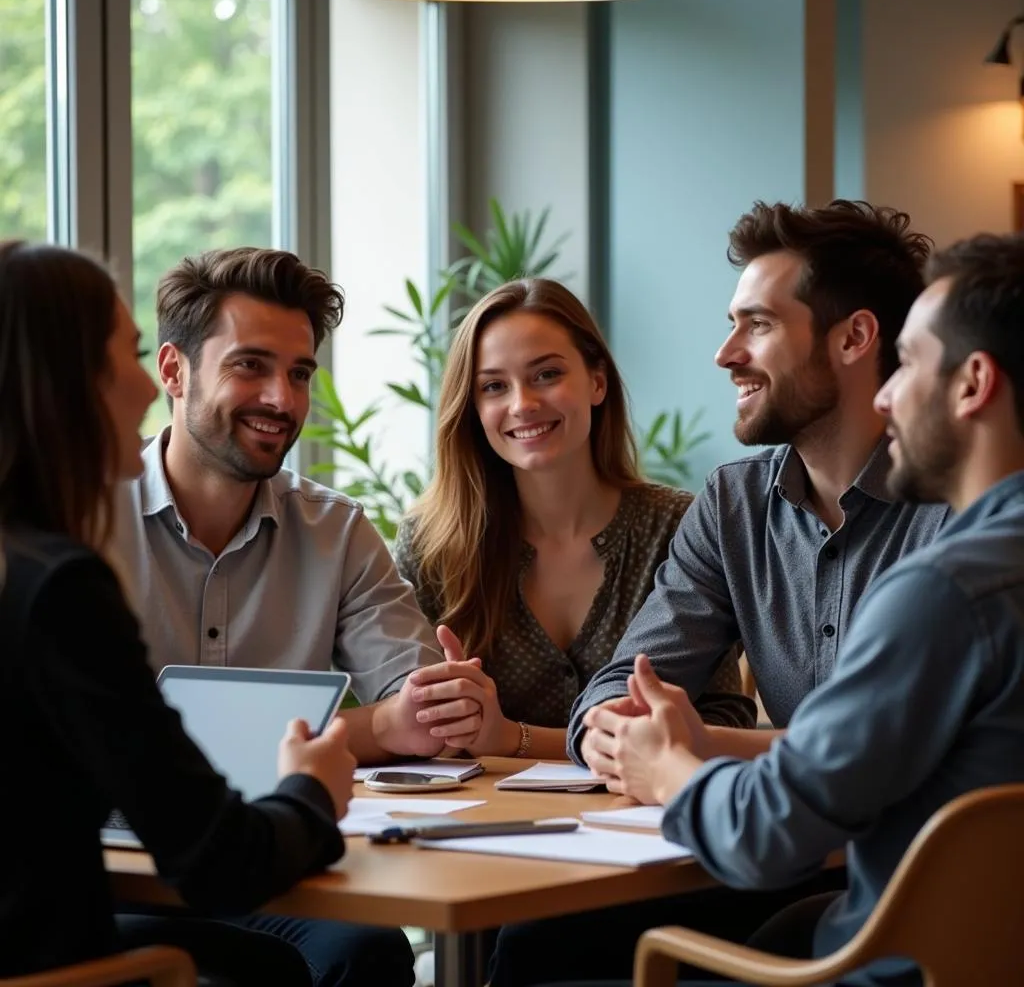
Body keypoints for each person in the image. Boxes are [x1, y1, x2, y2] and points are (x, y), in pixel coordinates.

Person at [489, 200, 950, 985]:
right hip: (781, 848)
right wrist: (609, 730)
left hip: (899, 877)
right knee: (535, 944)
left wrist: (687, 750)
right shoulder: (733, 506)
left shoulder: (957, 520)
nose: (724, 353)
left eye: (757, 325)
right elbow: (627, 682)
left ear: (853, 338)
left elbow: (894, 766)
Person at [580, 229, 1024, 987]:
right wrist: (705, 745)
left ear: (972, 382)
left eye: (909, 364)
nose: (888, 394)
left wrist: (673, 770)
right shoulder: (736, 502)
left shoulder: (943, 590)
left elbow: (768, 832)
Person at [109, 246, 478, 985]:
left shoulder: (336, 531)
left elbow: (421, 706)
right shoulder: (80, 522)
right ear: (173, 371)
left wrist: (439, 707)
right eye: (250, 366)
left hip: (265, 857)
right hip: (112, 874)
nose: (283, 398)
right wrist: (367, 730)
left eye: (300, 373)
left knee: (365, 952)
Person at [0, 240, 356, 984]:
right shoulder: (56, 590)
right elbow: (221, 864)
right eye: (125, 356)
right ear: (66, 383)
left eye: (298, 374)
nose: (140, 388)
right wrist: (313, 789)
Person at [393, 278, 754, 761]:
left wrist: (510, 738)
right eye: (494, 386)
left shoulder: (677, 526)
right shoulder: (431, 543)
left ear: (597, 381)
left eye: (546, 374)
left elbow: (722, 719)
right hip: (484, 823)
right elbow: (413, 727)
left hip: (645, 818)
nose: (523, 403)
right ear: (473, 407)